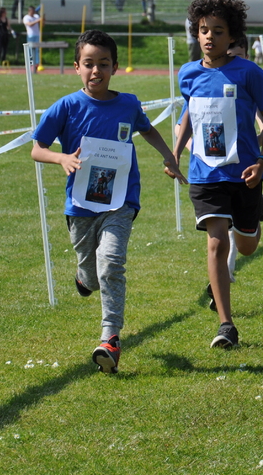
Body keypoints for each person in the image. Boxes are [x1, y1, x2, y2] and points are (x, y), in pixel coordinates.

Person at [31, 29, 186, 372]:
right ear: (77, 67)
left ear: (115, 67)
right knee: (91, 272)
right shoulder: (66, 107)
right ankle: (83, 278)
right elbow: (36, 149)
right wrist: (61, 158)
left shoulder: (128, 104)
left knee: (111, 262)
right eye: (88, 64)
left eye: (103, 63)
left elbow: (147, 129)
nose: (96, 71)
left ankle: (110, 338)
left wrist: (168, 156)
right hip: (80, 206)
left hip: (121, 202)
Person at [174, 0, 263, 348]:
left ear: (232, 35)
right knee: (217, 241)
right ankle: (226, 325)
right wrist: (175, 153)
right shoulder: (188, 74)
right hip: (205, 174)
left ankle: (256, 211)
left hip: (245, 173)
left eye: (218, 31)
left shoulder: (250, 73)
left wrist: (262, 161)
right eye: (204, 30)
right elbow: (190, 114)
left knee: (246, 246)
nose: (209, 37)